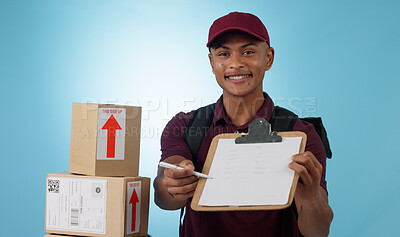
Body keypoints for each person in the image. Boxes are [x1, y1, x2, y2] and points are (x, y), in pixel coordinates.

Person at [154, 12, 333, 237]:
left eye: (248, 52)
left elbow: (319, 232)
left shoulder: (300, 135)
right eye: (224, 54)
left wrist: (311, 199)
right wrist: (171, 185)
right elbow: (163, 193)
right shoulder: (184, 125)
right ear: (212, 62)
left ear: (268, 58)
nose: (236, 63)